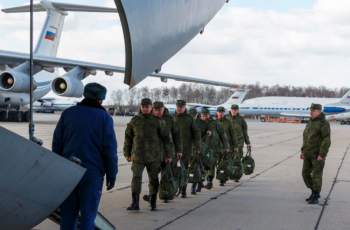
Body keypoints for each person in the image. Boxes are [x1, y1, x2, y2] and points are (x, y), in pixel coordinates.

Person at [52, 83, 118, 230]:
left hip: (68, 171)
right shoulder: (104, 117)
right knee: (88, 215)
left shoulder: (68, 113)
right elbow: (109, 149)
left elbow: (57, 142)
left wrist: (58, 168)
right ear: (101, 100)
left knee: (68, 214)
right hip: (92, 174)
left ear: (84, 95)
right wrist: (112, 174)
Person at [124, 98, 173, 211]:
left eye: (147, 106)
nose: (145, 109)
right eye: (143, 106)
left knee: (153, 179)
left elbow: (167, 138)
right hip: (138, 156)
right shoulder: (135, 121)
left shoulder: (158, 121)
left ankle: (153, 202)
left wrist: (169, 155)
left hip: (154, 157)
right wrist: (127, 153)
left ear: (151, 107)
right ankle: (135, 203)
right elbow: (128, 138)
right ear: (141, 107)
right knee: (136, 178)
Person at [145, 101, 183, 203]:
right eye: (156, 110)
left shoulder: (170, 119)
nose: (158, 112)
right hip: (154, 153)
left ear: (164, 109)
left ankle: (166, 193)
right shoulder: (149, 119)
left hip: (168, 153)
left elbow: (177, 136)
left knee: (165, 175)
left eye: (159, 110)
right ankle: (151, 196)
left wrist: (179, 150)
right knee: (153, 176)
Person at [300, 103, 331, 204]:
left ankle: (316, 195)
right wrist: (303, 151)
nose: (311, 112)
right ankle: (313, 191)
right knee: (305, 174)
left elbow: (326, 139)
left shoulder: (323, 123)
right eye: (310, 110)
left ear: (319, 112)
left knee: (317, 175)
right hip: (308, 153)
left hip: (317, 155)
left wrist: (322, 154)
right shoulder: (311, 122)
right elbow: (306, 138)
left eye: (313, 111)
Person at [174, 100, 201, 198]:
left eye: (181, 107)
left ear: (185, 108)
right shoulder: (172, 118)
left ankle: (183, 190)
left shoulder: (190, 119)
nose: (179, 108)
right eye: (178, 106)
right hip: (172, 150)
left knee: (184, 170)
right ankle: (172, 189)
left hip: (186, 149)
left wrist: (198, 147)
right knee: (171, 170)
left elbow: (196, 133)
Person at [201, 108, 229, 189]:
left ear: (209, 115)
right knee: (203, 165)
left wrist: (226, 146)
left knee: (211, 164)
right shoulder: (199, 123)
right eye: (203, 116)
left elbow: (223, 135)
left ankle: (209, 180)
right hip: (203, 149)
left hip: (214, 148)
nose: (204, 118)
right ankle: (201, 182)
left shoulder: (215, 123)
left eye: (206, 116)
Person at [216, 106, 239, 185]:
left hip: (227, 147)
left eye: (222, 112)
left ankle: (222, 178)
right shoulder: (214, 122)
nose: (221, 113)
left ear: (224, 113)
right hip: (216, 147)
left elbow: (233, 136)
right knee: (218, 163)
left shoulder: (228, 122)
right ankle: (220, 176)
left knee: (225, 162)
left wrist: (235, 146)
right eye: (219, 112)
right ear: (217, 113)